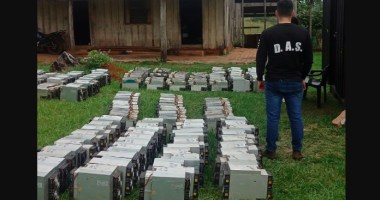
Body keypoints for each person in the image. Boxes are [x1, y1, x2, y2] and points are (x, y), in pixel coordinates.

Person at [255, 0, 313, 160]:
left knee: (273, 117)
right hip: (295, 81)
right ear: (293, 12)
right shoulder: (303, 33)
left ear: (276, 13)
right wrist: (302, 77)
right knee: (295, 116)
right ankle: (297, 151)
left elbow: (260, 58)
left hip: (273, 81)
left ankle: (271, 150)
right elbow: (309, 60)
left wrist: (260, 77)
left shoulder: (268, 33)